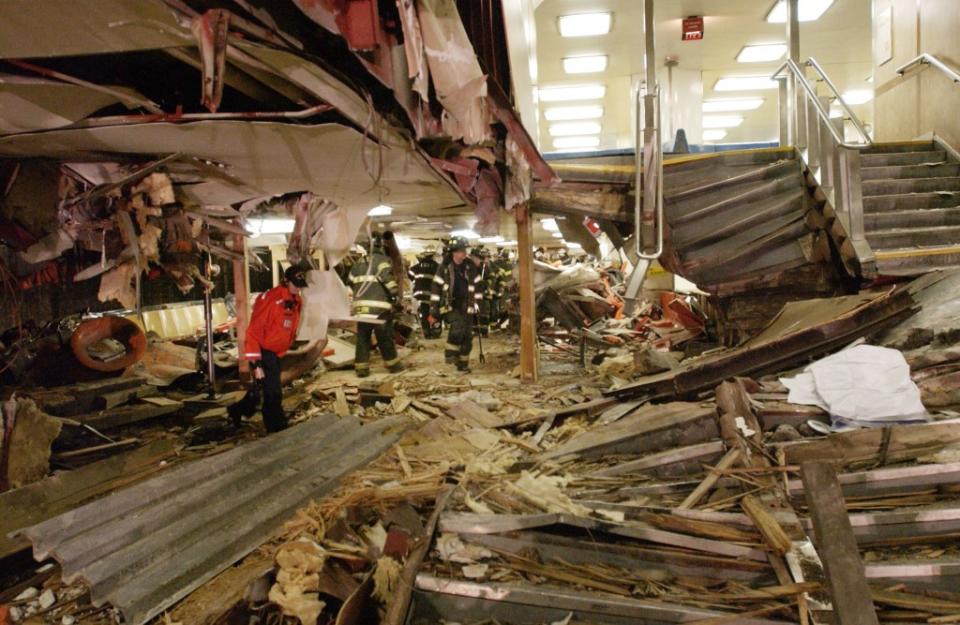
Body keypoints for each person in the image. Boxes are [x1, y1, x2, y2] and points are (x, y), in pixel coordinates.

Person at [230, 262, 309, 433]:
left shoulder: (296, 300)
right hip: (263, 352)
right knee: (273, 392)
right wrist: (255, 362)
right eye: (295, 285)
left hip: (275, 353)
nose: (298, 289)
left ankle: (236, 410)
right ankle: (275, 427)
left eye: (300, 286)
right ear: (286, 281)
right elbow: (253, 331)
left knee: (263, 388)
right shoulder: (272, 299)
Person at [348, 233, 404, 377]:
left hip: (361, 310)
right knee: (384, 337)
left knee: (363, 339)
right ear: (379, 246)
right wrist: (395, 297)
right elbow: (389, 282)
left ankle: (361, 369)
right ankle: (393, 365)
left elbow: (350, 285)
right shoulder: (381, 260)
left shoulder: (357, 263)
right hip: (379, 309)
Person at [432, 236, 482, 372]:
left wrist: (479, 303)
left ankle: (463, 364)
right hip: (451, 305)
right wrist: (434, 308)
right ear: (454, 252)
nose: (465, 253)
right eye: (462, 250)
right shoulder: (444, 268)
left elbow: (478, 285)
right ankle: (450, 355)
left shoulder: (470, 266)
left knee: (468, 336)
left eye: (465, 250)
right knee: (457, 328)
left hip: (469, 305)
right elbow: (436, 288)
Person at [408, 245, 441, 338]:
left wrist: (416, 281)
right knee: (435, 313)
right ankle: (435, 331)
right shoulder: (437, 267)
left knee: (424, 313)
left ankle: (426, 332)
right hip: (433, 295)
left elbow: (410, 274)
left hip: (421, 295)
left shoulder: (417, 266)